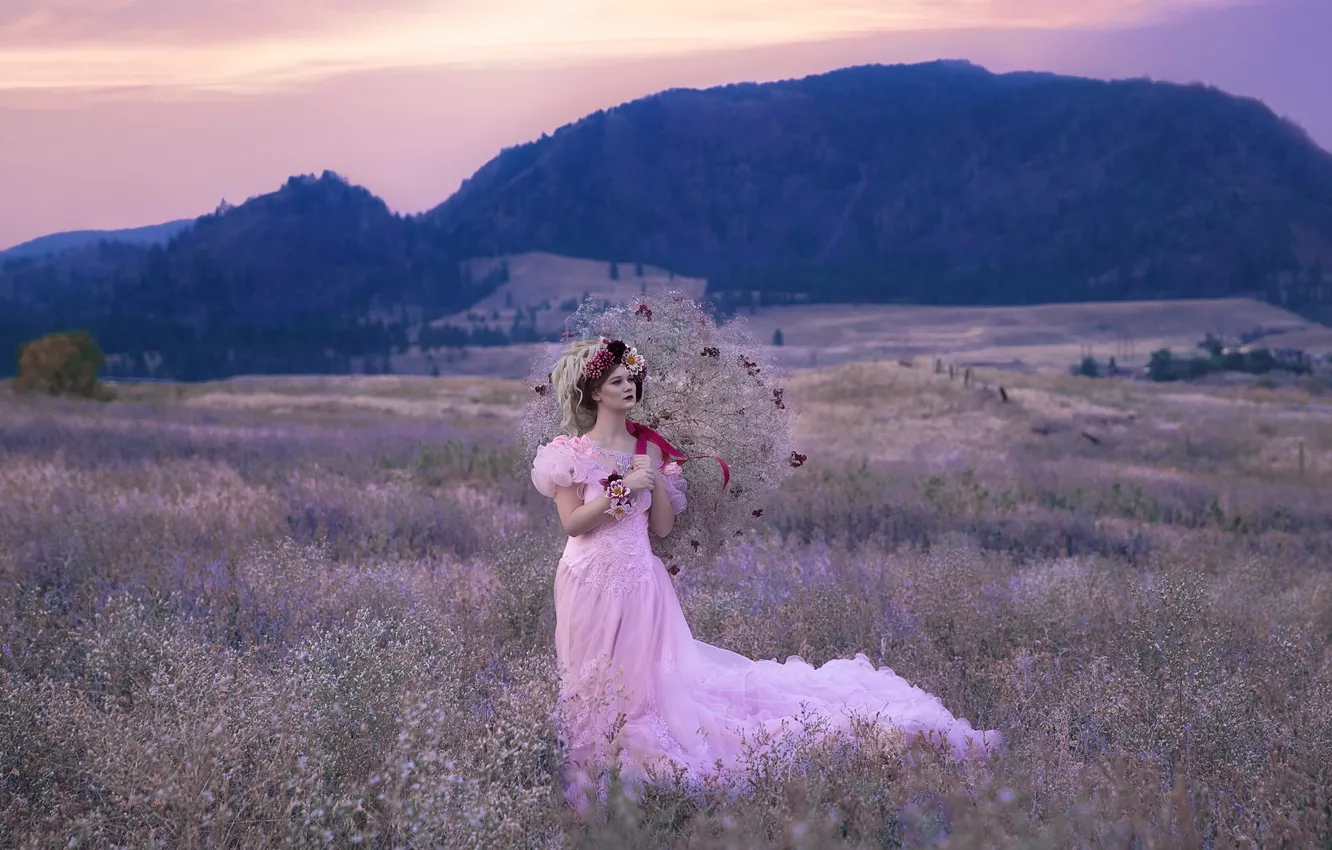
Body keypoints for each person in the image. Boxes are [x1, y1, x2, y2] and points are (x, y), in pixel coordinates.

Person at [530, 337, 1001, 807]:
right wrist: (624, 489)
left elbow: (662, 528)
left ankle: (632, 748)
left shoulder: (647, 447)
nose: (628, 387)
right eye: (617, 381)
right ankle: (589, 755)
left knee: (645, 684)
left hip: (639, 578)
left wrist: (655, 480)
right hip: (587, 578)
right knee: (587, 678)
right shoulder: (571, 452)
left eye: (631, 378)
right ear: (595, 393)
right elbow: (573, 523)